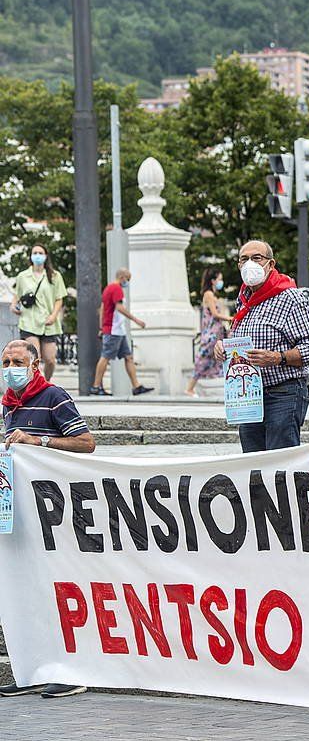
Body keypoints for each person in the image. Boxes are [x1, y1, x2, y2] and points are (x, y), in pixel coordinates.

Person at [0, 338, 94, 700]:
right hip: (22, 515)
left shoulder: (54, 396)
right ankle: (33, 671)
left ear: (35, 365)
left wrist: (38, 443)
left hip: (56, 512)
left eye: (18, 361)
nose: (11, 368)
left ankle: (72, 670)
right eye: (6, 361)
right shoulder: (9, 404)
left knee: (61, 591)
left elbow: (86, 443)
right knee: (29, 593)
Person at [214, 241, 309, 452]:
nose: (249, 264)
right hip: (249, 395)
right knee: (253, 463)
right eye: (244, 259)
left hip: (283, 392)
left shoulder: (290, 297)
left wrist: (278, 357)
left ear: (271, 264)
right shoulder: (244, 297)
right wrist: (224, 346)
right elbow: (245, 336)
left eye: (256, 258)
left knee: (279, 462)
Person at [90, 267, 153, 396]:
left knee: (128, 357)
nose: (127, 282)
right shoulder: (116, 288)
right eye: (128, 279)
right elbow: (119, 308)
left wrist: (101, 327)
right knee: (105, 357)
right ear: (122, 277)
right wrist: (136, 320)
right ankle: (96, 387)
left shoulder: (108, 288)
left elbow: (102, 308)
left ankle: (136, 386)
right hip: (114, 329)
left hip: (117, 330)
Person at [9, 244, 67, 382]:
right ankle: (38, 387)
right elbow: (17, 296)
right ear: (30, 256)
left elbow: (59, 299)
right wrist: (13, 306)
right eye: (35, 252)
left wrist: (53, 316)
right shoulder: (23, 276)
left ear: (46, 256)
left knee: (50, 360)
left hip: (49, 323)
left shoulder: (54, 276)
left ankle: (45, 382)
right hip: (29, 321)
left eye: (40, 253)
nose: (38, 255)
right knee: (35, 358)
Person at [185, 268, 231, 396]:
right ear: (213, 280)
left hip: (215, 333)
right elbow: (215, 314)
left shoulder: (211, 295)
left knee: (215, 359)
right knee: (203, 359)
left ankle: (192, 388)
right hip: (211, 334)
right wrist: (231, 318)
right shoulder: (209, 294)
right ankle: (189, 389)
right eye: (219, 279)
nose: (221, 282)